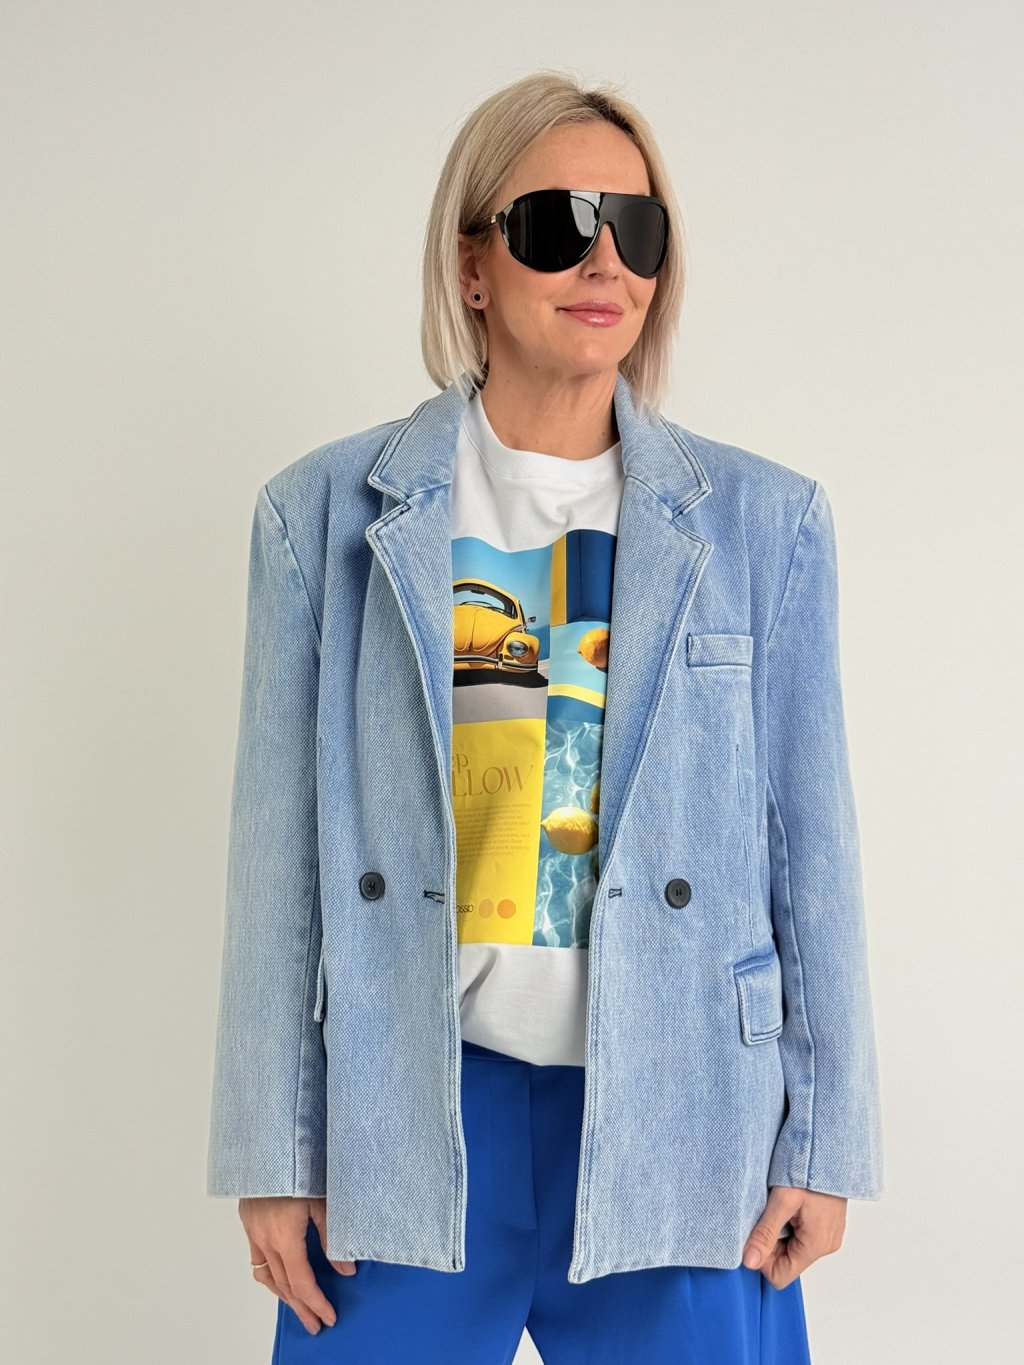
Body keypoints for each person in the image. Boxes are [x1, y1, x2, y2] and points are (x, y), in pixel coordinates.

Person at [207, 70, 884, 1364]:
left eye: (637, 227)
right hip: (409, 1109)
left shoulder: (765, 524)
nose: (602, 258)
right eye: (556, 222)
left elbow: (812, 848)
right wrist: (271, 1148)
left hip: (685, 1107)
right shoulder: (323, 514)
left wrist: (826, 1136)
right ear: (472, 265)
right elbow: (276, 858)